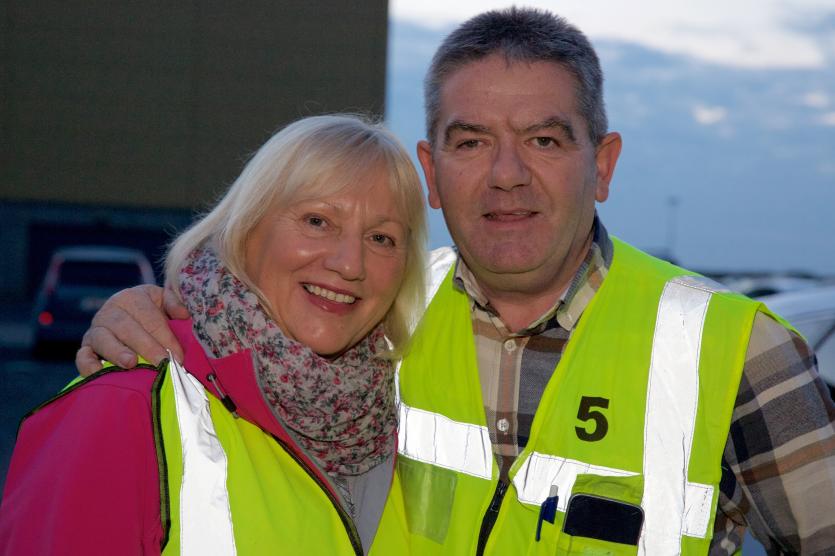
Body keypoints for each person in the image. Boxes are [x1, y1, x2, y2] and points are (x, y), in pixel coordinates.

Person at [73, 8, 835, 555]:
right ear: (431, 173)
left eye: (543, 138)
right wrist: (146, 318)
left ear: (600, 166)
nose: (506, 176)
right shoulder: (373, 316)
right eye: (471, 142)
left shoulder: (739, 353)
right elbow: (240, 350)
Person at [0, 114, 428, 555]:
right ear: (244, 230)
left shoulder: (389, 426)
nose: (350, 264)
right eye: (318, 221)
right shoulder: (124, 405)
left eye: (381, 238)